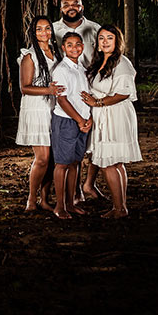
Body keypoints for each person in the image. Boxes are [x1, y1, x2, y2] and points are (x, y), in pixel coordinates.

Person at [81, 24, 141, 219]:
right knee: (114, 163)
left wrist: (97, 102)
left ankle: (118, 208)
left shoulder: (122, 63)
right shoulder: (98, 62)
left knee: (109, 162)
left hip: (115, 115)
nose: (105, 42)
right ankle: (121, 205)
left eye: (110, 38)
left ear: (117, 42)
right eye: (101, 38)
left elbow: (123, 93)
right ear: (97, 43)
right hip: (102, 114)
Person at [52, 0, 104, 201]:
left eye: (76, 3)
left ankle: (87, 184)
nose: (71, 7)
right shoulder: (54, 29)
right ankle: (66, 196)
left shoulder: (94, 28)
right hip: (65, 90)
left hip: (91, 88)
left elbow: (105, 51)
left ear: (83, 6)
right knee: (65, 153)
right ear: (61, 7)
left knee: (92, 144)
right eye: (67, 4)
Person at [16, 15, 63, 212]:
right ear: (33, 33)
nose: (44, 32)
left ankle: (45, 199)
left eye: (47, 28)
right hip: (36, 108)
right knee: (42, 158)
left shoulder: (56, 53)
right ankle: (31, 198)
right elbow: (24, 88)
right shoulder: (30, 56)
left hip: (54, 107)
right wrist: (48, 90)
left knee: (53, 158)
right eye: (39, 29)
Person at [50, 32, 93, 220]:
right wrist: (79, 120)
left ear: (82, 46)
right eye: (69, 45)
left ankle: (70, 203)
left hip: (82, 122)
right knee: (62, 164)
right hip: (67, 121)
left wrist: (88, 119)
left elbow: (85, 97)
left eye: (77, 44)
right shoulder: (61, 70)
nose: (74, 48)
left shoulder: (82, 68)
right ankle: (59, 206)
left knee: (75, 163)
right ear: (63, 48)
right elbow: (62, 100)